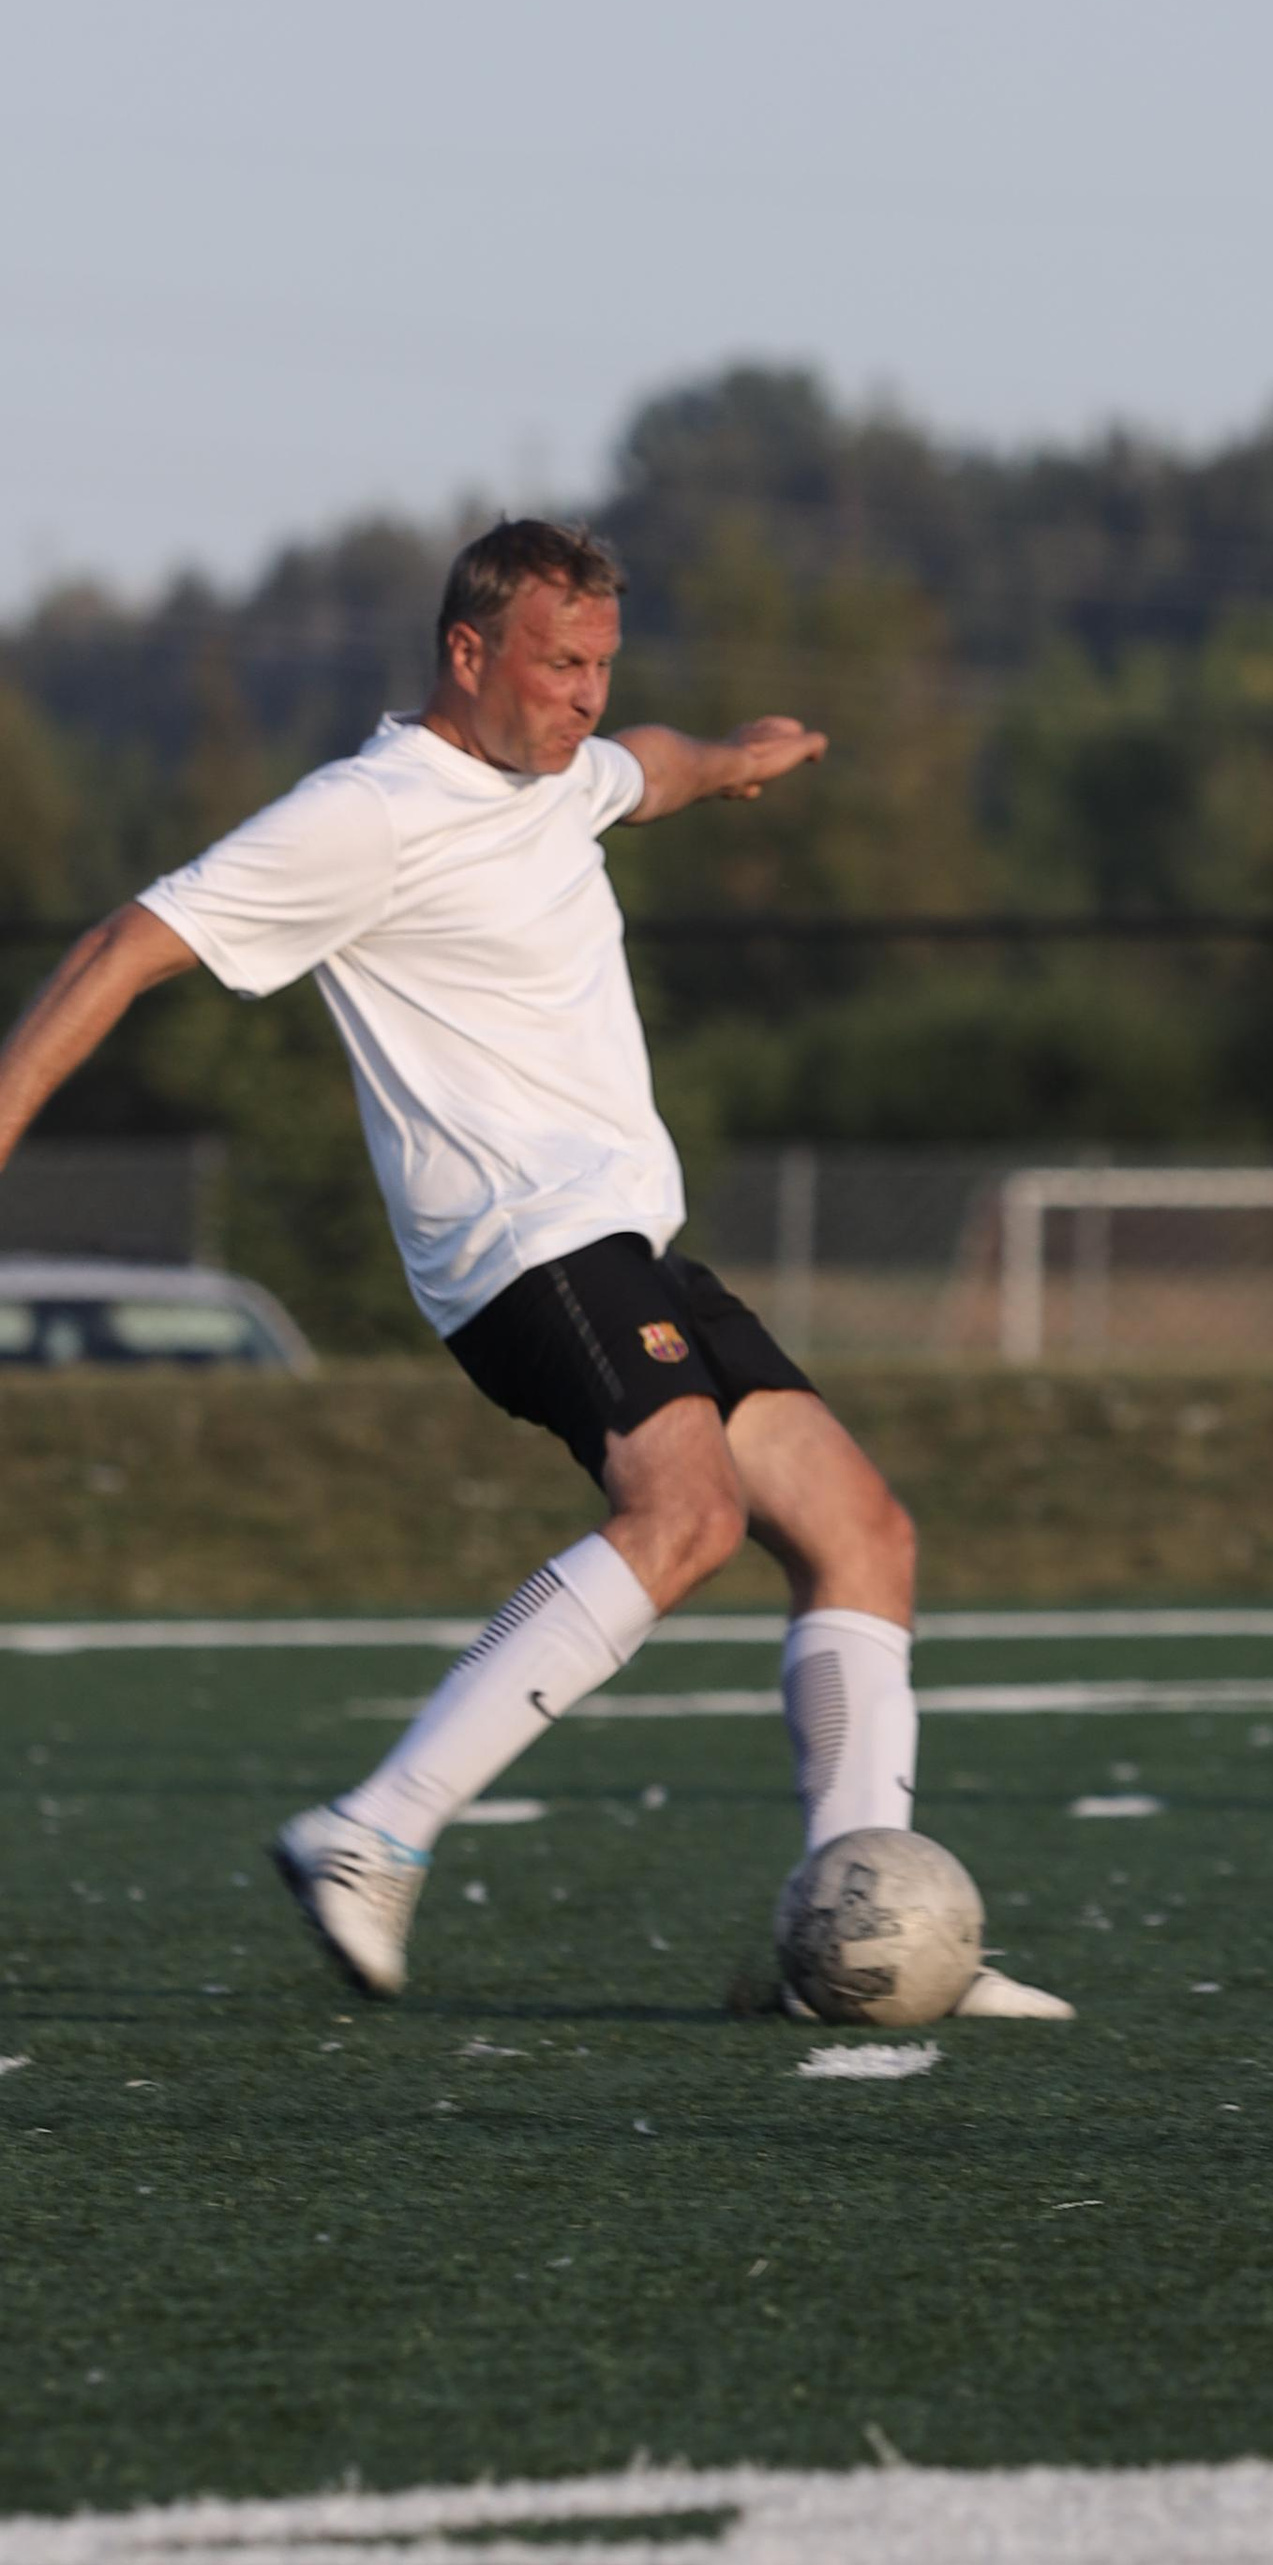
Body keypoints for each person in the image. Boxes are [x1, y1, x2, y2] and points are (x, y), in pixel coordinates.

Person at [0, 517, 1068, 2020]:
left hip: (626, 1241)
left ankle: (851, 1929)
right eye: (559, 664)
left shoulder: (566, 773)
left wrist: (740, 755)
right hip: (519, 1248)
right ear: (467, 653)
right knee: (684, 1513)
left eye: (599, 666)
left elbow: (655, 764)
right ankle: (371, 1833)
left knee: (864, 1534)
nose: (582, 696)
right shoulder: (364, 814)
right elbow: (124, 944)